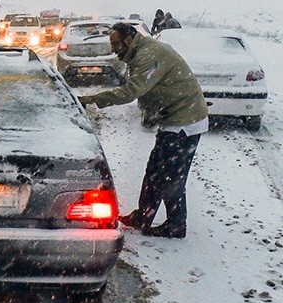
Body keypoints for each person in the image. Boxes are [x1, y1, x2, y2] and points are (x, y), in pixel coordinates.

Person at [78, 22, 208, 238]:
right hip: (173, 117)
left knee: (171, 177)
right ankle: (144, 216)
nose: (113, 49)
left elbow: (132, 92)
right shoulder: (141, 51)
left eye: (115, 43)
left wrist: (93, 99)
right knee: (154, 171)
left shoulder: (148, 54)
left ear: (129, 39)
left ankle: (176, 226)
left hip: (184, 122)